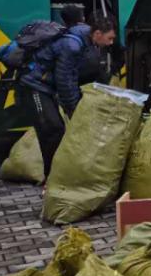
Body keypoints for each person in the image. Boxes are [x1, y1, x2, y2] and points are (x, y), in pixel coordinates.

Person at [16, 15, 117, 181]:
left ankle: (54, 175)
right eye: (110, 38)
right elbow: (65, 80)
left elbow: (73, 75)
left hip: (46, 86)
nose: (111, 42)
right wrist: (73, 109)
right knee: (52, 128)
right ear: (98, 33)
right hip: (34, 85)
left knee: (54, 128)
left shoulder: (85, 36)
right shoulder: (72, 46)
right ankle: (52, 178)